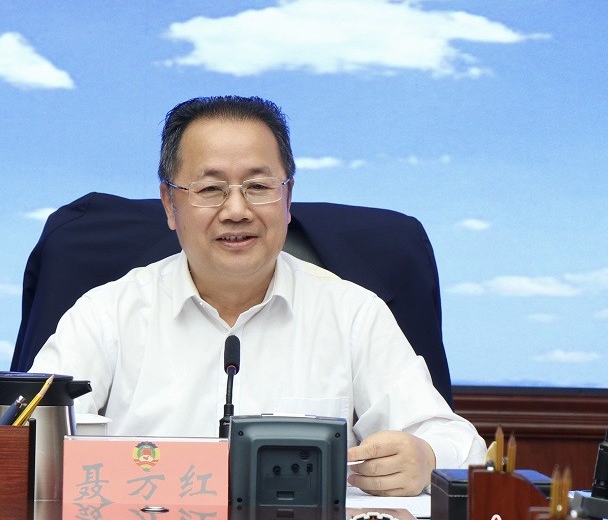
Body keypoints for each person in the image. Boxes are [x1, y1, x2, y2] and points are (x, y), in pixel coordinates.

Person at [30, 95, 485, 495]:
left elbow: (461, 446)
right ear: (169, 204)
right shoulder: (106, 314)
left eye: (259, 187)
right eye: (210, 189)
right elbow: (29, 437)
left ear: (288, 199)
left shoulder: (353, 314)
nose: (236, 210)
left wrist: (425, 456)